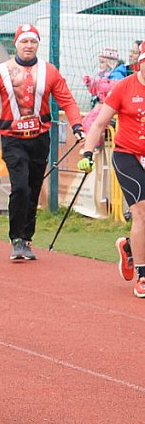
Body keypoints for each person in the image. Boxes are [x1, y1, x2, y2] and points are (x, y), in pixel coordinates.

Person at [0, 24, 83, 260]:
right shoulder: (2, 71)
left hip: (40, 138)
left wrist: (77, 126)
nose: (28, 46)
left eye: (33, 42)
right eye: (24, 41)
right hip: (12, 139)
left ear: (38, 44)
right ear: (16, 44)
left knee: (33, 188)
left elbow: (68, 101)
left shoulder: (49, 71)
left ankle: (26, 239)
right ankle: (16, 238)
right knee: (21, 186)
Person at [78, 41, 145, 297]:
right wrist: (87, 151)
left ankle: (130, 247)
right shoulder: (124, 87)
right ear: (139, 63)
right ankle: (142, 275)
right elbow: (99, 123)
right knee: (141, 212)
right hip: (127, 155)